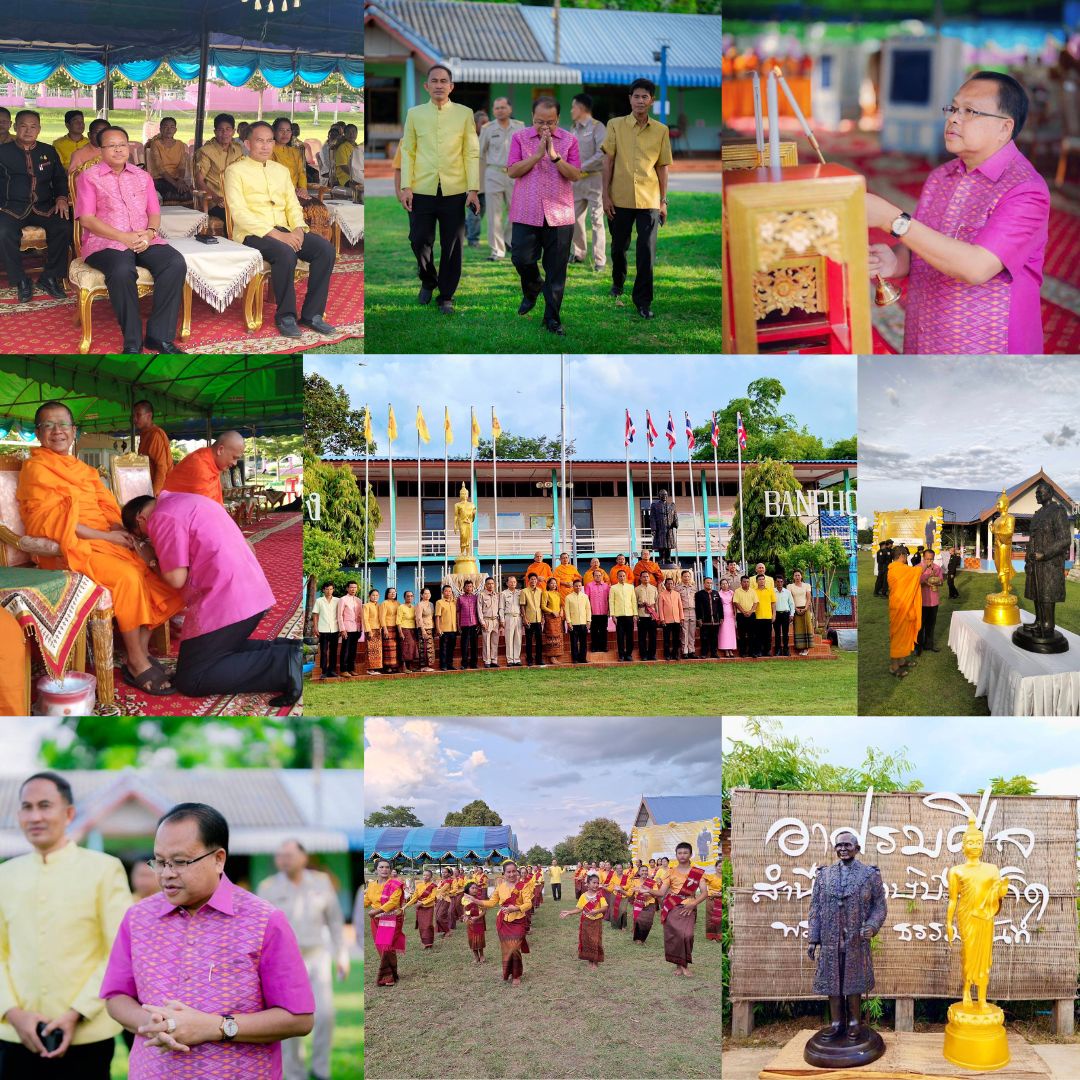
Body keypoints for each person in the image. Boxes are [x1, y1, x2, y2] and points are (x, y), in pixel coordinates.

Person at [102, 803, 315, 1071]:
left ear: (218, 859)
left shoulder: (264, 921)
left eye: (179, 862)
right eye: (160, 861)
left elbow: (298, 1018)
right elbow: (117, 996)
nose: (166, 873)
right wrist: (154, 1023)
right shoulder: (137, 918)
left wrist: (215, 1027)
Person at [865, 71, 1049, 354]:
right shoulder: (942, 176)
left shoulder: (1026, 190)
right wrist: (895, 262)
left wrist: (892, 219)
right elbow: (923, 247)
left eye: (970, 111)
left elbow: (976, 267)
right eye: (953, 108)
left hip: (989, 350)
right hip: (925, 337)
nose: (953, 118)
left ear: (1004, 128)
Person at [17, 402, 184, 695]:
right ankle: (134, 661)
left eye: (63, 425)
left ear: (74, 431)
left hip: (102, 540)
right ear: (38, 433)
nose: (57, 431)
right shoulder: (35, 468)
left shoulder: (84, 470)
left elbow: (108, 509)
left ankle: (141, 651)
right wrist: (107, 538)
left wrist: (126, 534)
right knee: (127, 577)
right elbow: (51, 519)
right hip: (70, 548)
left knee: (157, 570)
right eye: (48, 425)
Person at [0, 772, 130, 1077]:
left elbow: (119, 953)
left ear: (69, 813)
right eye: (27, 807)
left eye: (45, 805)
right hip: (15, 1034)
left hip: (87, 1036)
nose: (35, 816)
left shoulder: (104, 870)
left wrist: (77, 1013)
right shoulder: (5, 875)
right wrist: (13, 1012)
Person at [123, 493, 302, 706]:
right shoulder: (190, 500)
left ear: (140, 520)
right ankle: (290, 649)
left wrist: (149, 556)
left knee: (191, 678)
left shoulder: (161, 517)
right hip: (252, 591)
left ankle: (284, 664)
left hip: (229, 601)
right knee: (214, 654)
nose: (149, 539)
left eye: (144, 536)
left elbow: (175, 578)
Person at [76, 125, 188, 354]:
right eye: (112, 146)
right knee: (121, 270)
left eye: (122, 145)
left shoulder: (142, 176)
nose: (118, 150)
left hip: (143, 238)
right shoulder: (89, 177)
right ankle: (133, 340)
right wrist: (122, 237)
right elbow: (86, 219)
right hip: (106, 241)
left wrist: (149, 233)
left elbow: (154, 213)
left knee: (174, 262)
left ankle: (159, 337)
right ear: (101, 150)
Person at [225, 121, 337, 339]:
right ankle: (285, 315)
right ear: (247, 143)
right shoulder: (235, 171)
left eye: (269, 141)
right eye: (260, 141)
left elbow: (292, 205)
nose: (265, 146)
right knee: (285, 253)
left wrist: (297, 229)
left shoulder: (281, 171)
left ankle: (312, 315)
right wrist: (277, 234)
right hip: (252, 233)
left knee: (325, 249)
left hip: (285, 228)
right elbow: (239, 213)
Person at [258, 840, 348, 1080]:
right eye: (280, 855)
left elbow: (336, 921)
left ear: (303, 857)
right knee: (289, 1019)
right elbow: (259, 930)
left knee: (325, 1014)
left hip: (316, 956)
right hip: (283, 964)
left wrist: (342, 955)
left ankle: (321, 1070)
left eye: (288, 855)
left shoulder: (321, 882)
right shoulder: (267, 888)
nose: (283, 859)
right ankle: (295, 1073)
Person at [399, 65, 480, 315]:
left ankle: (446, 295)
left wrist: (473, 189)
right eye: (434, 81)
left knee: (452, 244)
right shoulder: (414, 114)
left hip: (455, 190)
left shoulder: (465, 114)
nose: (439, 85)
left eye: (444, 81)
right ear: (426, 86)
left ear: (451, 86)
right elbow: (408, 150)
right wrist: (406, 186)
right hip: (422, 188)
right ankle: (428, 279)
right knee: (419, 240)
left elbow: (471, 152)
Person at [507, 96, 583, 335]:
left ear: (558, 119)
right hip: (526, 210)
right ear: (532, 118)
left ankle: (552, 319)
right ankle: (532, 287)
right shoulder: (519, 138)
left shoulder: (570, 140)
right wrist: (537, 154)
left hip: (559, 213)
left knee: (556, 270)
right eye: (540, 121)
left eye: (550, 122)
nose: (545, 127)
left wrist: (554, 156)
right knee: (520, 257)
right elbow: (512, 171)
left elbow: (575, 174)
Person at [602, 79, 672, 319]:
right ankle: (618, 282)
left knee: (646, 250)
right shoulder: (615, 125)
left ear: (651, 100)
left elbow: (662, 167)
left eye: (645, 97)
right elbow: (608, 161)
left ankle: (643, 301)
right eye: (636, 96)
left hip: (649, 200)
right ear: (629, 99)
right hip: (619, 198)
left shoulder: (661, 130)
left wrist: (663, 201)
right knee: (618, 246)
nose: (640, 101)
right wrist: (605, 195)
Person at [807, 833, 886, 1040]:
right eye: (839, 845)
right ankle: (836, 1022)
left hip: (856, 940)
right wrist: (813, 939)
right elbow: (815, 907)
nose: (842, 849)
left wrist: (872, 925)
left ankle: (854, 1022)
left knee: (854, 982)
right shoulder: (824, 875)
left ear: (857, 848)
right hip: (829, 939)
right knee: (832, 982)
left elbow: (879, 906)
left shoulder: (869, 875)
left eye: (847, 845)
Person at [0, 110, 71, 303]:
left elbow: (59, 179)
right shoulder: (3, 152)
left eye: (33, 127)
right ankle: (20, 279)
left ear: (39, 129)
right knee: (3, 232)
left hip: (43, 206)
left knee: (63, 226)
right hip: (10, 208)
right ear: (16, 127)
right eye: (23, 126)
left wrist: (62, 198)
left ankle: (49, 276)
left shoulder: (48, 151)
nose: (28, 130)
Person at [468, 861, 534, 985]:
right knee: (506, 949)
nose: (511, 874)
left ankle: (516, 974)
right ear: (504, 874)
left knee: (514, 948)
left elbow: (528, 904)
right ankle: (508, 972)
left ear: (517, 872)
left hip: (518, 920)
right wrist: (476, 900)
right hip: (503, 922)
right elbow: (492, 902)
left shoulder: (523, 886)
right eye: (508, 872)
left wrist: (515, 908)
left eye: (514, 871)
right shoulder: (500, 887)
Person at [651, 841, 706, 977]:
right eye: (679, 853)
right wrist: (647, 890)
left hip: (689, 907)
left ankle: (684, 963)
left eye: (685, 853)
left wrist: (694, 904)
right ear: (676, 855)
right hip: (672, 906)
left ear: (690, 854)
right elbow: (661, 892)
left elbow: (705, 892)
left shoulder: (697, 872)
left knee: (688, 935)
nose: (682, 855)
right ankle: (680, 966)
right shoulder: (670, 872)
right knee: (675, 936)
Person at [479, 97, 524, 260]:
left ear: (510, 109)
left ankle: (508, 240)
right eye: (497, 108)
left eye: (503, 107)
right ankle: (497, 251)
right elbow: (480, 153)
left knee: (516, 212)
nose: (500, 110)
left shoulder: (519, 127)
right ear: (493, 110)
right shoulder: (487, 129)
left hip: (515, 174)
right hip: (494, 174)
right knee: (494, 214)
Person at [569, 94, 607, 272]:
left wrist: (581, 167)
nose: (571, 111)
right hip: (576, 182)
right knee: (575, 219)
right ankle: (579, 253)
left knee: (596, 220)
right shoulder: (573, 129)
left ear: (582, 108)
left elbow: (602, 154)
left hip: (594, 179)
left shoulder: (598, 127)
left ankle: (600, 260)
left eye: (573, 107)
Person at [162, 430, 245, 506]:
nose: (235, 463)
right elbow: (206, 510)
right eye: (234, 458)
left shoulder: (211, 462)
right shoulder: (200, 466)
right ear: (220, 450)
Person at [363, 859, 407, 988]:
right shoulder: (371, 885)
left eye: (387, 867)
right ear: (376, 869)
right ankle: (393, 973)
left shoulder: (395, 884)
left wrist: (377, 911)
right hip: (376, 920)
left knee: (386, 947)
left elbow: (393, 902)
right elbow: (366, 901)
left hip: (391, 918)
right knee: (381, 947)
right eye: (381, 867)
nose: (384, 869)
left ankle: (387, 977)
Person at [194, 113, 245, 223]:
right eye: (220, 130)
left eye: (228, 129)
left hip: (236, 200)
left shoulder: (238, 149)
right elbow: (199, 181)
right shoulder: (206, 151)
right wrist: (215, 197)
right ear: (215, 132)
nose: (224, 133)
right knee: (236, 219)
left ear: (234, 131)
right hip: (215, 202)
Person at [888, 547, 923, 678]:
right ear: (902, 555)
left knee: (904, 634)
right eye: (906, 555)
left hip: (904, 606)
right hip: (899, 607)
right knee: (897, 637)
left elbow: (913, 574)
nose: (907, 558)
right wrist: (926, 563)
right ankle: (894, 667)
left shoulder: (895, 568)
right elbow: (917, 572)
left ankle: (902, 661)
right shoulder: (897, 569)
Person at [560, 873, 606, 968]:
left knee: (596, 940)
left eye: (597, 883)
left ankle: (595, 960)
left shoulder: (599, 895)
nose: (596, 885)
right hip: (586, 921)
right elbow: (579, 909)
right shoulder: (583, 896)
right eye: (593, 883)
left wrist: (596, 911)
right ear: (588, 884)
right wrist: (569, 912)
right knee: (587, 940)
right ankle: (590, 958)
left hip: (596, 922)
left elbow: (605, 907)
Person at [133, 399, 173, 495]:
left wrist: (154, 494)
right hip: (148, 488)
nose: (134, 419)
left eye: (138, 415)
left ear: (149, 416)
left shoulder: (155, 435)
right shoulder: (145, 434)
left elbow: (162, 468)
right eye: (133, 416)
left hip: (159, 492)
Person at [146, 117, 191, 201]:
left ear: (175, 130)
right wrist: (175, 184)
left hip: (177, 179)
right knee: (172, 195)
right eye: (165, 127)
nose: (169, 129)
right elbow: (160, 169)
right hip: (160, 179)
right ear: (160, 129)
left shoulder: (180, 144)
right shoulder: (155, 144)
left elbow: (182, 166)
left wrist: (180, 180)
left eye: (172, 127)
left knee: (188, 194)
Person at [466, 110, 488, 247]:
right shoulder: (469, 140)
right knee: (475, 213)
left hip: (486, 184)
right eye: (483, 123)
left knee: (481, 212)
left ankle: (464, 229)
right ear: (475, 124)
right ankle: (473, 240)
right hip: (471, 184)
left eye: (488, 123)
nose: (486, 126)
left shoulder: (489, 138)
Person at [916, 549, 943, 655]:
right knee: (920, 625)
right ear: (923, 558)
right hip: (921, 601)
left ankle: (929, 645)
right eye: (927, 559)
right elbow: (916, 581)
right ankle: (918, 647)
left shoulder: (937, 568)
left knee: (931, 624)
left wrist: (937, 581)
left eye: (931, 559)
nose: (929, 561)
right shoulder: (917, 568)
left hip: (933, 601)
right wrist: (927, 576)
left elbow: (941, 581)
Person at [402, 868, 437, 949]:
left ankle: (429, 942)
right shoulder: (419, 885)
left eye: (427, 876)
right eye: (424, 875)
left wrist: (422, 903)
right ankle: (424, 943)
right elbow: (414, 898)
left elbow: (432, 898)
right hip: (420, 909)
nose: (425, 877)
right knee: (422, 926)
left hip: (429, 908)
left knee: (428, 925)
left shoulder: (433, 886)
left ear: (431, 877)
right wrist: (405, 906)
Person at [311, 581, 339, 679]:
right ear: (323, 590)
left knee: (333, 651)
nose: (329, 591)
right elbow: (315, 614)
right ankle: (324, 671)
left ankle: (332, 670)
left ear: (333, 590)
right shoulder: (319, 601)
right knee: (324, 651)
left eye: (331, 589)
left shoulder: (338, 600)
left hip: (335, 629)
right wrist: (315, 627)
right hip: (323, 629)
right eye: (327, 589)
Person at [610, 568, 637, 661]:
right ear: (617, 577)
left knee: (630, 636)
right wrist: (613, 615)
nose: (622, 577)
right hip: (619, 616)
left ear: (626, 577)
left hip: (629, 615)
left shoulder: (630, 587)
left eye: (623, 576)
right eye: (620, 576)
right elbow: (611, 602)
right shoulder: (613, 588)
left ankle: (629, 654)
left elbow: (633, 601)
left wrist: (635, 614)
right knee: (620, 637)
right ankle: (621, 655)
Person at [338, 580, 363, 677]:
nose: (353, 589)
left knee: (353, 650)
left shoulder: (359, 600)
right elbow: (339, 615)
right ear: (347, 588)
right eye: (351, 587)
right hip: (347, 629)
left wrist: (360, 628)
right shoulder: (343, 599)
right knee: (345, 650)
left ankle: (351, 669)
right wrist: (342, 629)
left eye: (355, 587)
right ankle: (343, 670)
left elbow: (360, 616)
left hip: (356, 628)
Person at [564, 577, 592, 664]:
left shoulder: (585, 596)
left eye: (579, 586)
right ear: (573, 587)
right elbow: (567, 611)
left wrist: (588, 621)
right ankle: (575, 658)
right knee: (574, 642)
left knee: (583, 642)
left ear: (581, 586)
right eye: (576, 586)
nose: (578, 587)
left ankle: (583, 658)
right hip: (573, 623)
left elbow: (588, 609)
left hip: (583, 623)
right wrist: (568, 622)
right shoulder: (568, 597)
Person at [629, 864, 659, 944]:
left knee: (648, 922)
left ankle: (643, 938)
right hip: (638, 903)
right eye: (642, 870)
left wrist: (645, 892)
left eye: (646, 871)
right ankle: (638, 939)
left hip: (650, 904)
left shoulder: (652, 882)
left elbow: (656, 893)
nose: (644, 872)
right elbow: (630, 892)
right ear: (639, 872)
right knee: (638, 920)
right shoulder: (634, 881)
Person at [520, 572, 545, 666]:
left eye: (535, 579)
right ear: (528, 580)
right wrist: (524, 618)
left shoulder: (540, 591)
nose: (533, 581)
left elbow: (541, 605)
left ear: (537, 581)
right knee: (529, 640)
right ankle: (529, 659)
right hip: (529, 619)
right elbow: (522, 605)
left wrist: (542, 617)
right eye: (531, 579)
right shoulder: (524, 591)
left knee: (539, 641)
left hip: (538, 619)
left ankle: (539, 659)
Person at [634, 570, 659, 660]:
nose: (646, 578)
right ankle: (643, 655)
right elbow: (634, 603)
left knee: (653, 636)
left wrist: (657, 614)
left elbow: (657, 602)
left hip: (652, 616)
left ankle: (652, 654)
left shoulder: (654, 588)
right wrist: (635, 615)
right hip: (642, 615)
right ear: (640, 578)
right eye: (644, 576)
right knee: (642, 637)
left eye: (647, 576)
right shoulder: (636, 589)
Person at [788, 569, 814, 656]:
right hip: (795, 609)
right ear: (793, 577)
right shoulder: (790, 586)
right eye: (795, 575)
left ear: (801, 576)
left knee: (807, 627)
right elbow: (790, 599)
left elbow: (809, 598)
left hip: (805, 609)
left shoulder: (807, 585)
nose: (797, 577)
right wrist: (795, 608)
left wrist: (806, 608)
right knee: (798, 628)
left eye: (799, 575)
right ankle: (800, 647)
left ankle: (806, 648)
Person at [695, 577, 722, 660]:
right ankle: (704, 653)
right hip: (704, 621)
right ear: (704, 584)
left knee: (714, 638)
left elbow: (720, 606)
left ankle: (714, 653)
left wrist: (721, 617)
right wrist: (699, 618)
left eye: (710, 583)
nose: (709, 584)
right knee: (704, 638)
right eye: (707, 582)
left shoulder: (716, 593)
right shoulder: (699, 594)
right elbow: (698, 607)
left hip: (715, 620)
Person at [499, 575, 523, 666]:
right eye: (511, 582)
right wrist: (502, 620)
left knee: (518, 639)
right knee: (509, 639)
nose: (513, 583)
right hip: (508, 617)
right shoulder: (504, 593)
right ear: (507, 583)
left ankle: (517, 659)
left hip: (518, 617)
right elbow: (501, 608)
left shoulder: (520, 593)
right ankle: (510, 660)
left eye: (514, 582)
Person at [584, 568, 610, 652]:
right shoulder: (589, 585)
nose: (598, 577)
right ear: (593, 576)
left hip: (604, 611)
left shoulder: (606, 586)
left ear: (602, 576)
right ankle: (594, 647)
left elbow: (609, 598)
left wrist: (609, 610)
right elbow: (586, 599)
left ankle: (604, 646)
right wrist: (588, 611)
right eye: (596, 575)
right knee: (594, 630)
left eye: (599, 575)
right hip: (593, 612)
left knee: (603, 630)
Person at [477, 576, 500, 668]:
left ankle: (494, 660)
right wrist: (482, 622)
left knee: (495, 641)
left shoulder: (496, 595)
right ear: (485, 585)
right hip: (486, 620)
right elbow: (479, 609)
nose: (490, 585)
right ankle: (487, 661)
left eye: (492, 583)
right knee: (486, 641)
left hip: (495, 620)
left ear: (494, 585)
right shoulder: (482, 595)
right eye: (489, 584)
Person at [461, 883, 488, 963]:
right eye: (472, 888)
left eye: (476, 888)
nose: (475, 890)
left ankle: (482, 955)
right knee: (472, 939)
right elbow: (464, 909)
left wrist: (477, 918)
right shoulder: (464, 899)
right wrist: (465, 916)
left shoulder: (479, 899)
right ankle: (476, 957)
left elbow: (484, 911)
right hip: (470, 922)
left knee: (480, 939)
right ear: (468, 889)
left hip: (479, 922)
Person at [457, 579, 480, 670]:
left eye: (470, 586)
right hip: (464, 625)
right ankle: (464, 664)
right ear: (464, 588)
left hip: (474, 624)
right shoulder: (460, 598)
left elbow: (478, 611)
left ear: (473, 587)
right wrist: (458, 625)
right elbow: (458, 612)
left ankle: (474, 663)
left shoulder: (476, 598)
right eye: (467, 586)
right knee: (464, 645)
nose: (469, 588)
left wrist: (478, 623)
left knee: (474, 645)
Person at [659, 576, 683, 660]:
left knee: (676, 639)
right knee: (666, 639)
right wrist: (662, 619)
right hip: (666, 621)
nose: (670, 585)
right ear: (665, 584)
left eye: (671, 583)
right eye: (668, 583)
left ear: (674, 584)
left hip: (677, 620)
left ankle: (675, 654)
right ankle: (667, 655)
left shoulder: (677, 594)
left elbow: (680, 607)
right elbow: (660, 608)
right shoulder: (662, 595)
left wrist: (682, 618)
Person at [753, 572, 777, 658]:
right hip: (757, 617)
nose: (762, 581)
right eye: (759, 579)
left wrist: (774, 615)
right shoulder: (753, 591)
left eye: (763, 579)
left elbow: (773, 604)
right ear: (756, 581)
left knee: (768, 635)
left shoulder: (770, 590)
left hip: (768, 616)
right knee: (758, 636)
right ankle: (758, 651)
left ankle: (767, 651)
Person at [650, 490, 678, 563]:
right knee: (660, 543)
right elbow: (652, 517)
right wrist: (653, 528)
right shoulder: (654, 505)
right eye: (662, 495)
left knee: (669, 544)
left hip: (669, 528)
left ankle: (668, 559)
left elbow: (675, 515)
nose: (664, 496)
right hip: (660, 527)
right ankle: (661, 558)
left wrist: (676, 524)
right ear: (659, 496)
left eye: (665, 494)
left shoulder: (671, 505)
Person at [435, 584, 459, 671]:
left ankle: (450, 664)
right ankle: (443, 665)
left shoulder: (454, 602)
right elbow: (437, 616)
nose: (448, 593)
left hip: (453, 629)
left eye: (450, 591)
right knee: (443, 649)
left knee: (451, 648)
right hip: (444, 629)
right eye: (446, 591)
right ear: (442, 592)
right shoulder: (439, 602)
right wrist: (438, 629)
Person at [732, 574, 756, 658]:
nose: (746, 583)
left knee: (751, 634)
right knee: (742, 635)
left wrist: (750, 612)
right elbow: (736, 602)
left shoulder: (753, 591)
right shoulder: (737, 591)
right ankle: (742, 652)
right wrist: (743, 612)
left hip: (751, 615)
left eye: (747, 582)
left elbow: (756, 603)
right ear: (741, 583)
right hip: (741, 615)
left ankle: (752, 652)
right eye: (744, 582)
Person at [541, 577, 564, 664]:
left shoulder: (558, 594)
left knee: (558, 636)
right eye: (552, 583)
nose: (554, 585)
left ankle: (557, 655)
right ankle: (552, 656)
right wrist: (552, 612)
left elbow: (561, 605)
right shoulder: (545, 593)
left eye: (555, 583)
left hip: (558, 618)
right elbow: (543, 606)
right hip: (550, 618)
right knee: (551, 636)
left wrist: (561, 611)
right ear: (548, 584)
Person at [676, 569, 697, 660]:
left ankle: (691, 651)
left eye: (688, 576)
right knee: (684, 632)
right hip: (683, 611)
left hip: (693, 611)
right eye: (685, 576)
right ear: (681, 577)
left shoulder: (694, 587)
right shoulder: (677, 588)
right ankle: (685, 651)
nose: (687, 578)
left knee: (692, 632)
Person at [415, 586, 436, 672]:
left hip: (430, 627)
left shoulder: (431, 604)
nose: (427, 595)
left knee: (430, 648)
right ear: (421, 595)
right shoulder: (420, 604)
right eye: (425, 594)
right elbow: (418, 618)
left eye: (428, 593)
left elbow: (432, 617)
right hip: (423, 628)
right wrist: (423, 630)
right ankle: (423, 666)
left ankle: (428, 665)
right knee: (423, 647)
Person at [397, 590, 419, 672]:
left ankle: (410, 666)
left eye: (411, 596)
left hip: (412, 630)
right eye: (408, 596)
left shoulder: (414, 607)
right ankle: (403, 667)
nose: (410, 597)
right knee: (404, 648)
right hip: (404, 629)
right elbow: (398, 621)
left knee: (412, 648)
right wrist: (400, 632)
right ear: (404, 597)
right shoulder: (401, 607)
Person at [380, 587, 401, 674]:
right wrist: (385, 629)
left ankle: (395, 666)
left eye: (394, 592)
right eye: (391, 592)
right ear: (387, 594)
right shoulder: (384, 603)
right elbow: (382, 617)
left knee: (396, 648)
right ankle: (387, 667)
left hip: (396, 628)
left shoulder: (398, 603)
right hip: (387, 628)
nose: (393, 594)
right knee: (388, 648)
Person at [364, 588, 384, 675]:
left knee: (377, 650)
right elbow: (365, 619)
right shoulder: (366, 605)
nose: (375, 597)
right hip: (370, 630)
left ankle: (375, 668)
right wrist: (368, 630)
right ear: (369, 596)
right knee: (370, 650)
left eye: (377, 595)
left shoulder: (379, 606)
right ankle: (369, 669)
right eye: (373, 595)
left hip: (378, 630)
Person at [773, 572, 793, 656]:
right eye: (778, 581)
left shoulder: (787, 592)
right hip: (776, 614)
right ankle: (778, 650)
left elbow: (791, 604)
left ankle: (786, 649)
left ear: (783, 582)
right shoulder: (772, 591)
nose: (780, 583)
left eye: (781, 581)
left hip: (785, 614)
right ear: (775, 582)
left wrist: (791, 614)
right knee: (777, 634)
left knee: (785, 633)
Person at [334, 124, 359, 188]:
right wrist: (356, 176)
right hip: (346, 178)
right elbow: (343, 166)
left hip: (357, 175)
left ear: (357, 133)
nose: (351, 134)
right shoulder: (342, 148)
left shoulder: (358, 147)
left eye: (353, 132)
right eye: (349, 132)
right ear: (344, 134)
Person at [718, 576, 737, 658]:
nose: (724, 585)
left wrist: (735, 613)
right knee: (724, 632)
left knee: (731, 632)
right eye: (723, 584)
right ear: (720, 585)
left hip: (731, 614)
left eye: (726, 583)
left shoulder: (732, 593)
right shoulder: (719, 593)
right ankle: (726, 650)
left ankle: (731, 649)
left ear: (728, 584)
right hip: (723, 614)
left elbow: (734, 604)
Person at [705, 858, 723, 943]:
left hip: (722, 899)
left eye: (723, 866)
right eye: (719, 866)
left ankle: (719, 936)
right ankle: (712, 936)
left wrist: (722, 893)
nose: (721, 868)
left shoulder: (726, 877)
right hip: (711, 899)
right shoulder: (710, 877)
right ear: (716, 867)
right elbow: (703, 887)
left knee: (719, 918)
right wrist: (712, 893)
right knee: (711, 918)